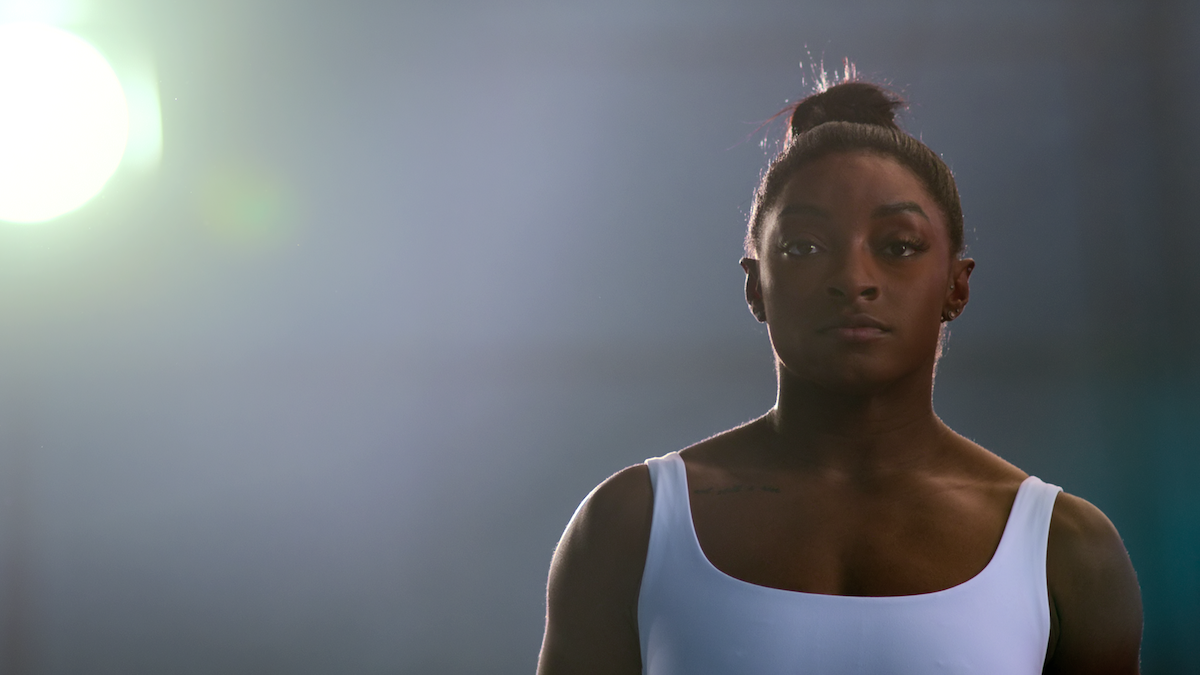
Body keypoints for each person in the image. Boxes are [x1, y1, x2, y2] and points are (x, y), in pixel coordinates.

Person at [537, 80, 1142, 674]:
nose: (853, 280)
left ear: (956, 286)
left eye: (898, 246)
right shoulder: (632, 527)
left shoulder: (1066, 551)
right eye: (804, 247)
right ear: (755, 285)